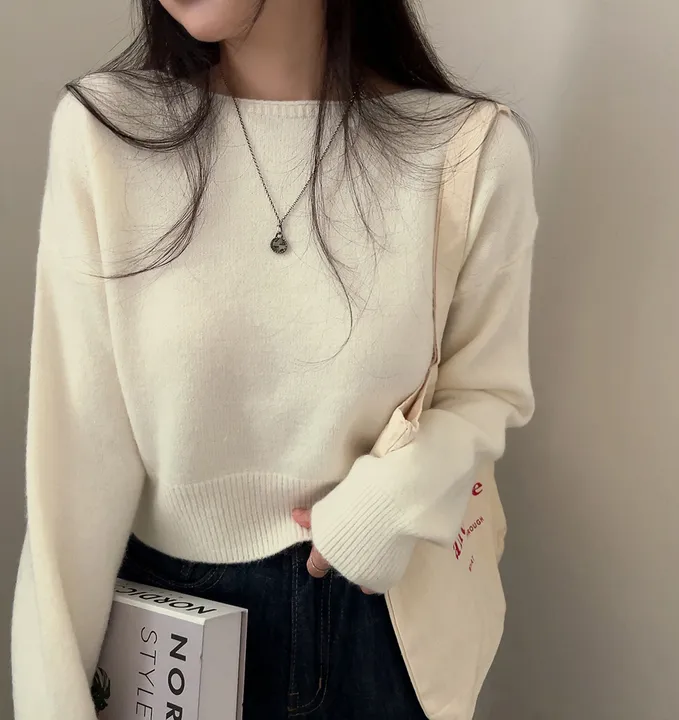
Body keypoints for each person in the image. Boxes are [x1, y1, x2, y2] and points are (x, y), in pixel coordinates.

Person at [11, 0, 538, 718]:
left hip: (379, 620)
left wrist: (392, 500)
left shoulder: (466, 149)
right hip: (164, 631)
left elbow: (486, 391)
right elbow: (71, 470)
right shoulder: (107, 133)